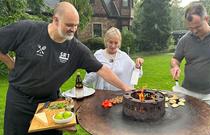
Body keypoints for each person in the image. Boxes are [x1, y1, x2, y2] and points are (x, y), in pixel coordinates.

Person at [0, 2, 132, 135]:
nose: (73, 29)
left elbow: (102, 69)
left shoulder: (76, 49)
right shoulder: (27, 30)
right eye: (69, 25)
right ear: (55, 20)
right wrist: (10, 63)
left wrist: (125, 87)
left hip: (50, 103)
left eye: (76, 25)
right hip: (19, 102)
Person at [170, 2, 210, 123]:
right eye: (190, 28)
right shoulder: (184, 40)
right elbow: (176, 59)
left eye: (197, 27)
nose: (194, 31)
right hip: (188, 92)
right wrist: (175, 66)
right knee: (188, 126)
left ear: (207, 18)